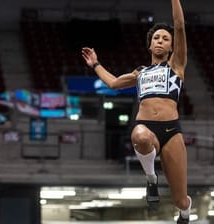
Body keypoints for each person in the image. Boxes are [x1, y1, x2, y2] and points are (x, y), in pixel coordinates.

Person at [81, 0, 191, 223]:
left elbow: (179, 25)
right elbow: (112, 83)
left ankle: (185, 214)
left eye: (165, 39)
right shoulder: (140, 72)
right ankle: (151, 178)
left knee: (180, 199)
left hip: (171, 131)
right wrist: (95, 64)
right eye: (156, 38)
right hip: (146, 127)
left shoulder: (176, 65)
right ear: (150, 46)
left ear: (172, 47)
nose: (160, 41)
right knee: (140, 136)